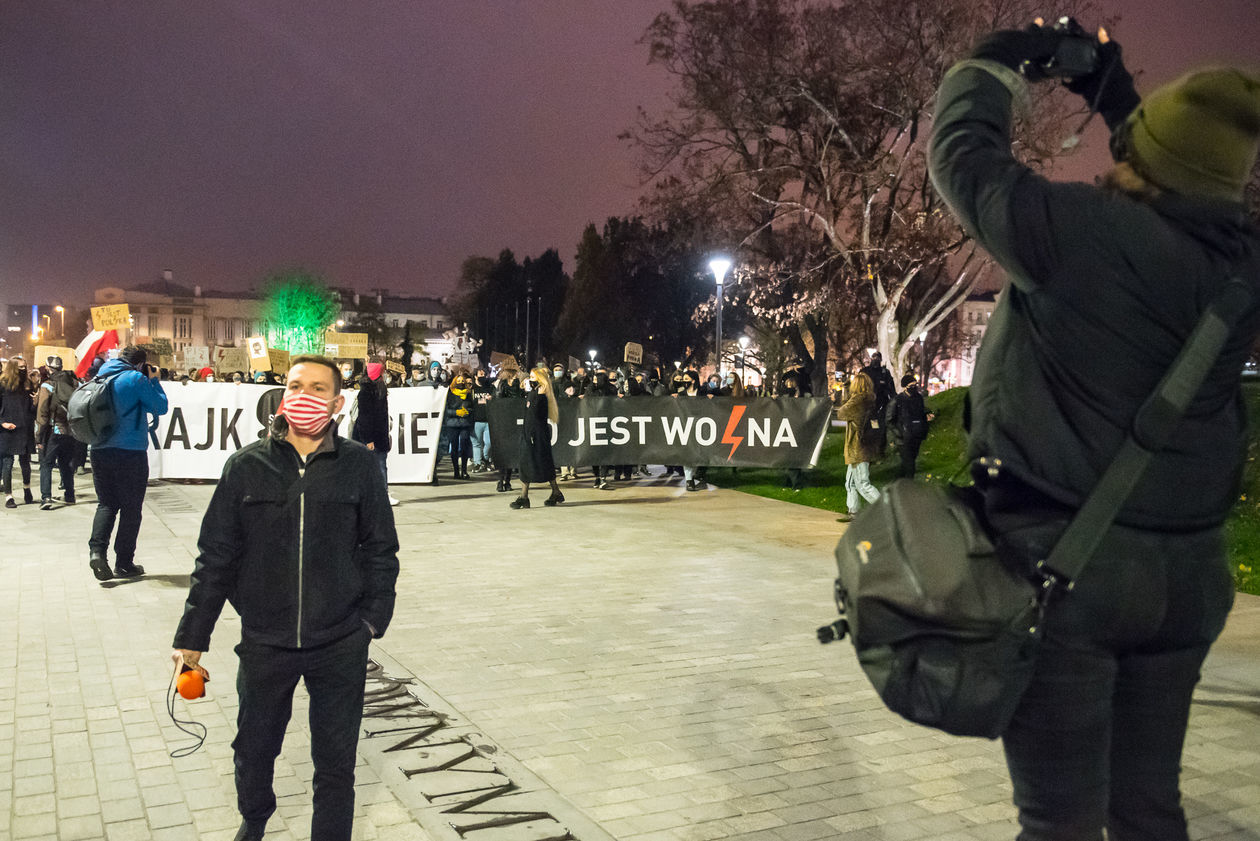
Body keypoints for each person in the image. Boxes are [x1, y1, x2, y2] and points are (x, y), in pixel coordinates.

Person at [929, 22, 1260, 840]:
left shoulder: (1082, 235)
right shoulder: (1240, 266)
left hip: (1071, 575)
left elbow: (964, 161)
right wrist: (1118, 99)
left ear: (1140, 163)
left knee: (1060, 821)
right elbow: (1177, 180)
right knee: (1148, 809)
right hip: (1185, 577)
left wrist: (994, 62)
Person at [171, 354, 399, 841]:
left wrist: (371, 623)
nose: (305, 396)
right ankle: (254, 820)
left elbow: (382, 549)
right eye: (296, 385)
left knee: (335, 764)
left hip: (339, 641)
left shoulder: (358, 465)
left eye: (318, 389)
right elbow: (216, 556)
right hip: (265, 641)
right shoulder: (245, 466)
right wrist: (193, 636)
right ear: (282, 392)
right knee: (253, 750)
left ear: (337, 402)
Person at [86, 346, 169, 580]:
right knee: (131, 509)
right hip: (130, 451)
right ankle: (124, 563)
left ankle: (97, 552)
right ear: (141, 364)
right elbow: (160, 406)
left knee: (106, 504)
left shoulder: (101, 373)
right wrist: (154, 381)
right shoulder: (135, 378)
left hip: (100, 450)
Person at [510, 367, 563, 509]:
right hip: (532, 433)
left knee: (533, 463)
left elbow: (534, 416)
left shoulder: (540, 396)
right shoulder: (534, 394)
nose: (530, 380)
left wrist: (531, 435)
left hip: (535, 434)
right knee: (537, 462)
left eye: (533, 377)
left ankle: (524, 497)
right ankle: (553, 492)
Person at [351, 362, 398, 506]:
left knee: (380, 465)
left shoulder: (379, 390)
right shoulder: (366, 392)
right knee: (376, 466)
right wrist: (368, 439)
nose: (385, 375)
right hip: (369, 437)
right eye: (383, 372)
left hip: (379, 435)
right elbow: (364, 418)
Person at [834, 371, 880, 521]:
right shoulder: (869, 400)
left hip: (857, 447)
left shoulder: (858, 401)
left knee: (862, 484)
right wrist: (847, 390)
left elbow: (841, 412)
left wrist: (846, 392)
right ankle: (853, 511)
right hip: (865, 445)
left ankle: (886, 512)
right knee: (850, 482)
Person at [35, 356, 79, 509]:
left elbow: (42, 412)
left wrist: (39, 436)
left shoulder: (47, 385)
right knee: (66, 463)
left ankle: (46, 498)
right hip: (71, 431)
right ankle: (70, 495)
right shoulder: (75, 382)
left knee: (46, 464)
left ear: (48, 368)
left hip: (54, 430)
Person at [0, 357, 36, 508]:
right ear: (13, 368)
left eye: (25, 367)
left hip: (25, 427)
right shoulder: (2, 385)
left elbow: (31, 411)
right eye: (20, 367)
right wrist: (2, 422)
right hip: (8, 428)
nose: (23, 370)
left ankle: (27, 489)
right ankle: (9, 496)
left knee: (25, 462)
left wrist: (34, 403)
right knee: (8, 462)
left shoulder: (28, 385)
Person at [887, 373, 933, 479]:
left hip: (916, 435)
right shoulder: (897, 400)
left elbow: (921, 412)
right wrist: (899, 434)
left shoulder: (919, 398)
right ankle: (909, 486)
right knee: (910, 464)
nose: (914, 388)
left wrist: (928, 414)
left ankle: (898, 482)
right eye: (911, 386)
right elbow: (889, 420)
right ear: (906, 387)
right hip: (903, 438)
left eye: (915, 385)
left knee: (909, 461)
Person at [860, 352, 897, 457]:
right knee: (867, 428)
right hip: (867, 406)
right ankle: (865, 449)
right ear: (871, 359)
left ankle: (880, 451)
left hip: (881, 406)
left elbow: (891, 390)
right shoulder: (865, 372)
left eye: (877, 358)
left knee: (881, 429)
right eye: (874, 357)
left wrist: (895, 400)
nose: (875, 359)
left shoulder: (885, 373)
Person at [443, 370, 474, 480]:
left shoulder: (468, 393)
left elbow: (472, 407)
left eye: (462, 381)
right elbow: (446, 409)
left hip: (465, 423)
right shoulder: (449, 393)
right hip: (452, 424)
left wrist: (467, 411)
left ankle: (464, 471)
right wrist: (456, 412)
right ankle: (456, 471)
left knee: (464, 445)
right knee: (454, 447)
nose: (461, 383)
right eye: (458, 381)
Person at [470, 368, 495, 472]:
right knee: (477, 444)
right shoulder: (472, 389)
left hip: (489, 420)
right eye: (480, 374)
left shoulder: (490, 387)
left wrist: (492, 398)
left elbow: (497, 397)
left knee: (489, 443)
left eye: (484, 374)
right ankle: (477, 463)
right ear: (475, 376)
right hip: (476, 421)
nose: (483, 376)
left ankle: (485, 459)